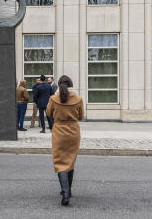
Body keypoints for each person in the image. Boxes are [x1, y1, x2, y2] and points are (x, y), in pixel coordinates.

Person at [45, 75, 84, 206]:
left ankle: (65, 192)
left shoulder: (53, 98)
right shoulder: (78, 99)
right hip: (73, 131)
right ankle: (69, 190)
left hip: (59, 131)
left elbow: (48, 113)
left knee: (60, 161)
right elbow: (81, 116)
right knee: (70, 159)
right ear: (70, 84)